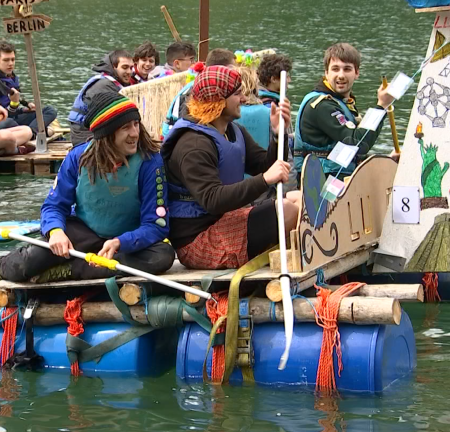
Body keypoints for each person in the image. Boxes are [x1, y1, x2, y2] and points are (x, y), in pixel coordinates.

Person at [0, 93, 175, 298]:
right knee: (30, 259)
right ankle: (1, 271)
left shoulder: (150, 163)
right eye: (125, 128)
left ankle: (68, 270)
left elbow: (155, 225)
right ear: (107, 133)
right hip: (84, 231)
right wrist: (56, 231)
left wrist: (121, 241)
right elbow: (54, 206)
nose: (134, 133)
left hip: (125, 241)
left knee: (162, 257)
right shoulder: (78, 157)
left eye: (136, 124)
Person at [161, 66, 299, 270]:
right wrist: (264, 180)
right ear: (218, 101)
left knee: (299, 198)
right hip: (199, 241)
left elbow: (264, 165)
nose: (244, 99)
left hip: (224, 221)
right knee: (288, 210)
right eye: (237, 94)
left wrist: (279, 134)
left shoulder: (233, 130)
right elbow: (212, 199)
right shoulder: (193, 145)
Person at [294, 42, 395, 180]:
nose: (341, 75)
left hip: (337, 176)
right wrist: (381, 106)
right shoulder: (322, 105)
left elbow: (350, 151)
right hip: (320, 184)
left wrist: (387, 159)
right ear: (326, 73)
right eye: (335, 69)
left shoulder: (342, 102)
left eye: (347, 69)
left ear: (357, 73)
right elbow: (356, 143)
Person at [161, 48, 236, 138]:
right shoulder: (194, 90)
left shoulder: (215, 88)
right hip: (175, 136)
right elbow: (185, 122)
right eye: (232, 70)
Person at [0, 40, 58, 138]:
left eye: (13, 60)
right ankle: (34, 132)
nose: (10, 64)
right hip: (2, 121)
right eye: (6, 60)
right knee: (8, 122)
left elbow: (16, 103)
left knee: (49, 111)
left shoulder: (12, 77)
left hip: (15, 117)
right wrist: (14, 105)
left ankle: (31, 132)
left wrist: (24, 109)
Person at [68, 50, 134, 145]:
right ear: (113, 67)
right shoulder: (104, 86)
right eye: (125, 67)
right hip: (84, 136)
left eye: (131, 68)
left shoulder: (111, 83)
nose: (129, 72)